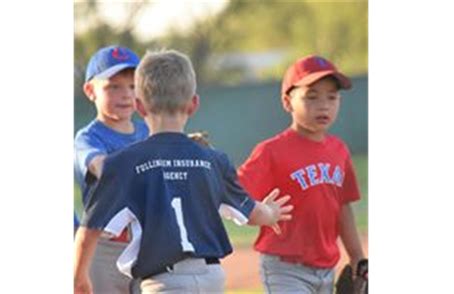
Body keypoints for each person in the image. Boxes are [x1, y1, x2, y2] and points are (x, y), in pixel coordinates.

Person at [73, 49, 293, 294]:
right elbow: (253, 213)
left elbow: (88, 230)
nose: (123, 93)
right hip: (211, 278)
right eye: (114, 86)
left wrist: (78, 276)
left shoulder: (125, 163)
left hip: (163, 280)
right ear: (194, 104)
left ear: (140, 105)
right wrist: (271, 212)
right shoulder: (214, 159)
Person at [237, 55, 367, 293]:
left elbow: (343, 207)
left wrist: (358, 257)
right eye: (312, 96)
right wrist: (259, 212)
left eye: (332, 97)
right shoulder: (271, 151)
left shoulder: (339, 150)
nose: (324, 105)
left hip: (326, 267)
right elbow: (235, 192)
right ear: (287, 101)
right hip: (284, 268)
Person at [74, 45, 149, 294]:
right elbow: (102, 167)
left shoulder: (148, 131)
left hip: (148, 243)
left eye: (132, 86)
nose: (125, 95)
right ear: (90, 91)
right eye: (113, 87)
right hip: (104, 248)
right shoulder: (88, 139)